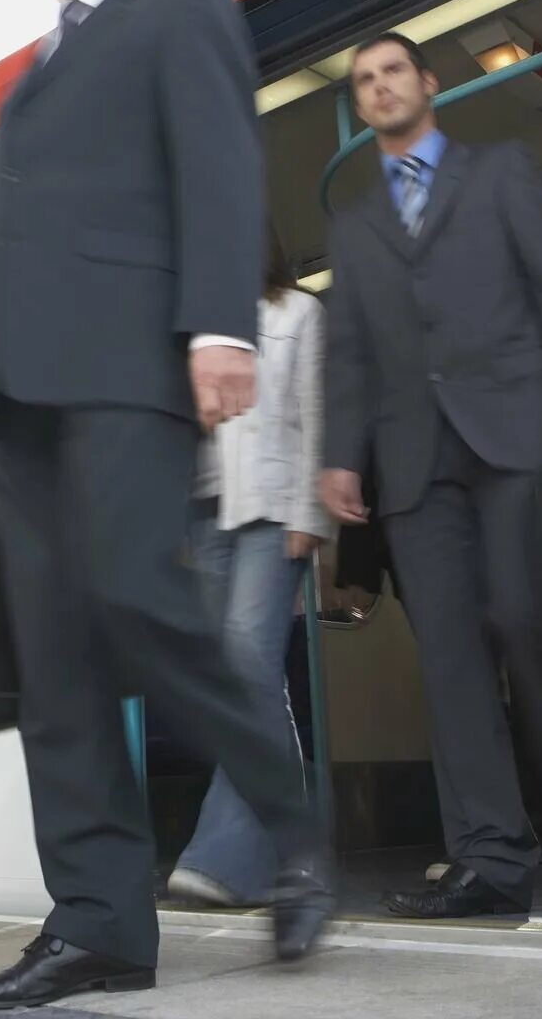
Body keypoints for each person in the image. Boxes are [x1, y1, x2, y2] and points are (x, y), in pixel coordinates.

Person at [0, 0, 332, 1011]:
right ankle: (100, 923)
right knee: (54, 667)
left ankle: (291, 818)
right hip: (20, 401)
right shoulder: (30, 79)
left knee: (141, 600)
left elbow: (219, 160)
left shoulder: (182, 7)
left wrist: (220, 322)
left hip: (128, 363)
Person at [320, 33, 542, 918]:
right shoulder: (353, 224)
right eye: (365, 80)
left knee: (529, 625)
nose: (380, 86)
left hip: (514, 437)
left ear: (427, 84)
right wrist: (342, 454)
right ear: (360, 105)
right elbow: (347, 354)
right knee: (453, 662)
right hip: (416, 462)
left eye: (393, 71)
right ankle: (491, 859)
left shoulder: (499, 171)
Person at [168, 228, 331, 909]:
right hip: (204, 514)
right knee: (226, 680)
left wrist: (309, 513)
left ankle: (229, 856)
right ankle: (282, 855)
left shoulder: (299, 312)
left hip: (273, 508)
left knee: (247, 669)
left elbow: (316, 412)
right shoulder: (192, 328)